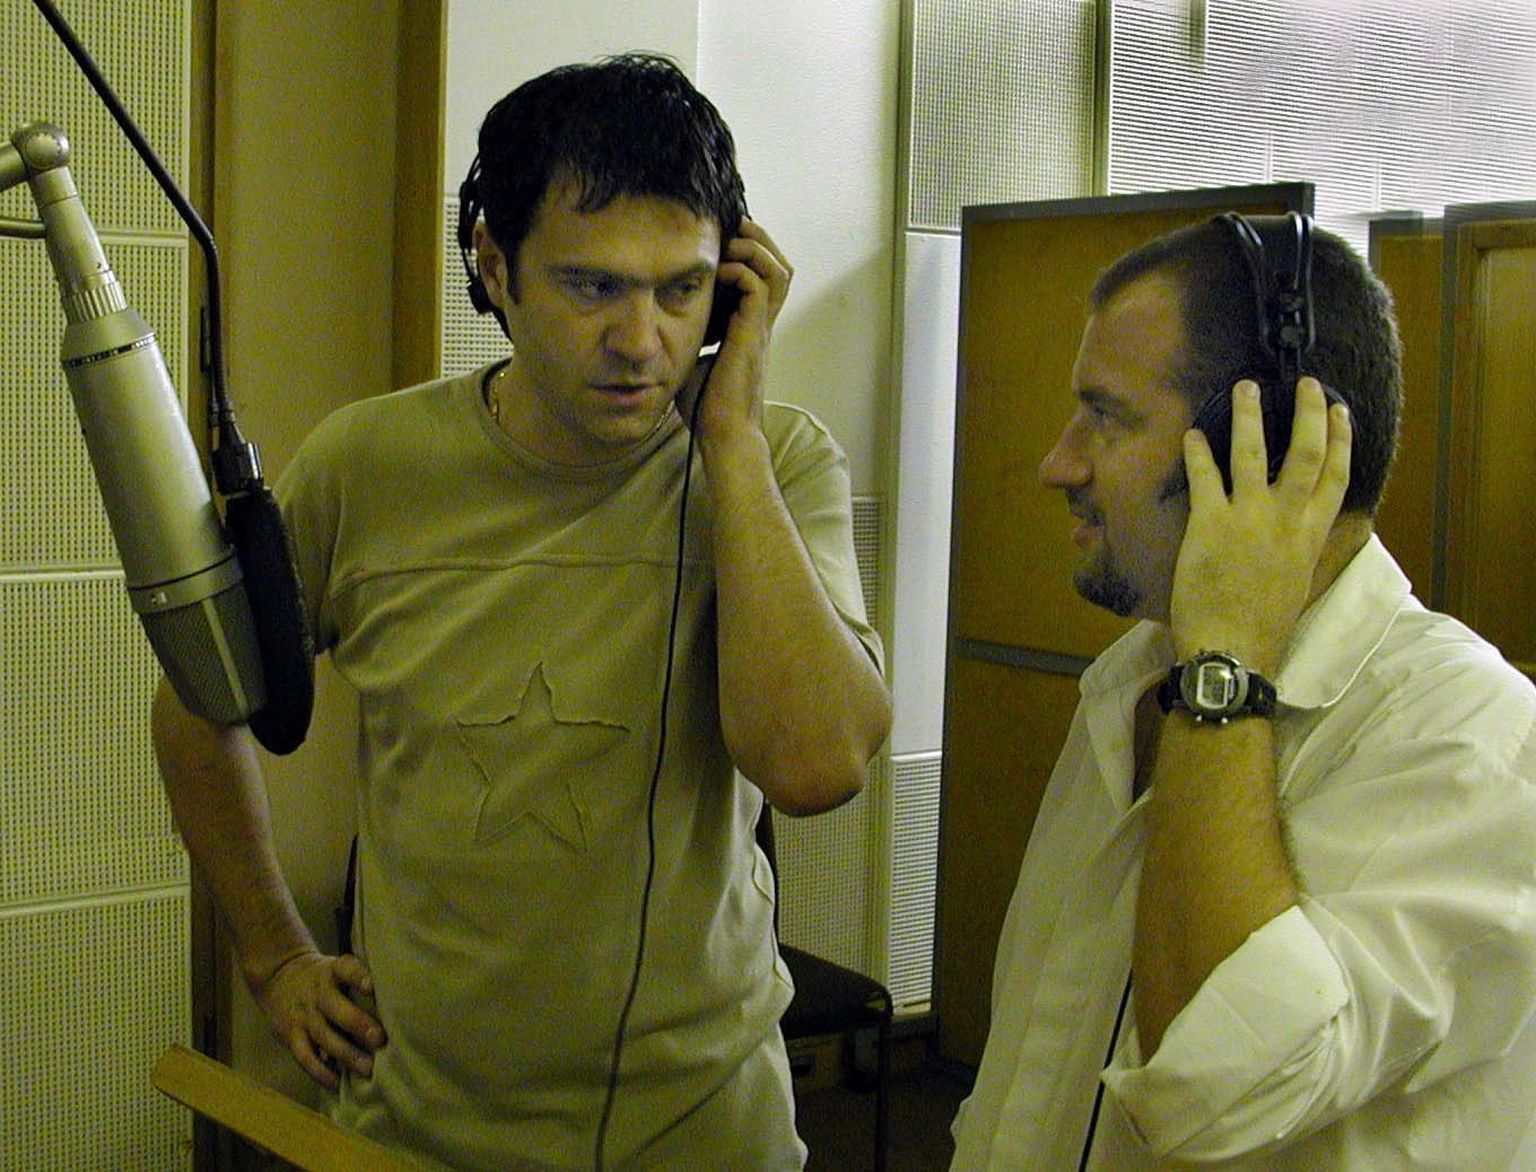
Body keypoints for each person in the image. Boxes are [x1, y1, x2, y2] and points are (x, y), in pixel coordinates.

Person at [152, 53, 891, 1170]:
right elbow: (194, 705)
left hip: (705, 1130)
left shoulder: (775, 463)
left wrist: (729, 437)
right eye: (593, 287)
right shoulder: (367, 463)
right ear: (495, 267)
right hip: (422, 1129)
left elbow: (815, 762)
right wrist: (275, 955)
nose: (641, 340)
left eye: (681, 290)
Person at [949, 215, 1536, 1168]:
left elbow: (1211, 1088)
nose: (1059, 463)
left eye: (1107, 417)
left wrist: (1225, 669)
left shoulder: (1476, 743)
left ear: (1257, 446)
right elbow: (1032, 1073)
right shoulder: (1132, 681)